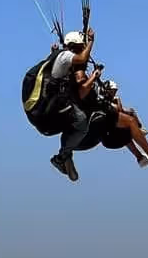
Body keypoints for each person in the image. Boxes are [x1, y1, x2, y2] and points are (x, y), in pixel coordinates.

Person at [75, 71, 148, 169]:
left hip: (112, 136)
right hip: (107, 138)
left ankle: (140, 157)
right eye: (112, 91)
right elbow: (117, 110)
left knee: (126, 126)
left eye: (115, 91)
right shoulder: (106, 98)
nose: (114, 93)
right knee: (130, 121)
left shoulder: (108, 98)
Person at [49, 28, 96, 182]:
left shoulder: (61, 55)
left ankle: (66, 155)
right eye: (80, 47)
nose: (82, 49)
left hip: (58, 100)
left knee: (78, 118)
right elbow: (82, 59)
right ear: (74, 46)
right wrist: (91, 42)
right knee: (82, 123)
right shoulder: (66, 55)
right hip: (58, 103)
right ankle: (62, 156)